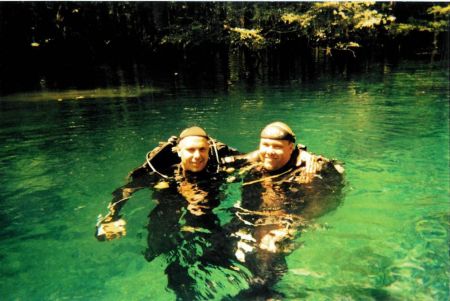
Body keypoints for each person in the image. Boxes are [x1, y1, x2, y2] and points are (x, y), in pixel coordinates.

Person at [95, 126, 251, 300]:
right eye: (190, 150)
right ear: (178, 151)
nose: (197, 156)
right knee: (162, 246)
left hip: (204, 210)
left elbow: (257, 159)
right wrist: (112, 216)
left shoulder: (218, 166)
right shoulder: (162, 172)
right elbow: (125, 190)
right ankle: (181, 288)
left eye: (202, 150)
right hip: (168, 206)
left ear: (209, 149)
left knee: (215, 243)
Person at [223, 121, 345, 299]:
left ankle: (265, 292)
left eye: (277, 147)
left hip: (285, 218)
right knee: (215, 247)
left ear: (290, 147)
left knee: (267, 248)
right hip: (250, 215)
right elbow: (226, 164)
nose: (269, 151)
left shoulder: (310, 171)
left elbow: (328, 199)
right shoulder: (256, 163)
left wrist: (295, 223)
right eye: (265, 145)